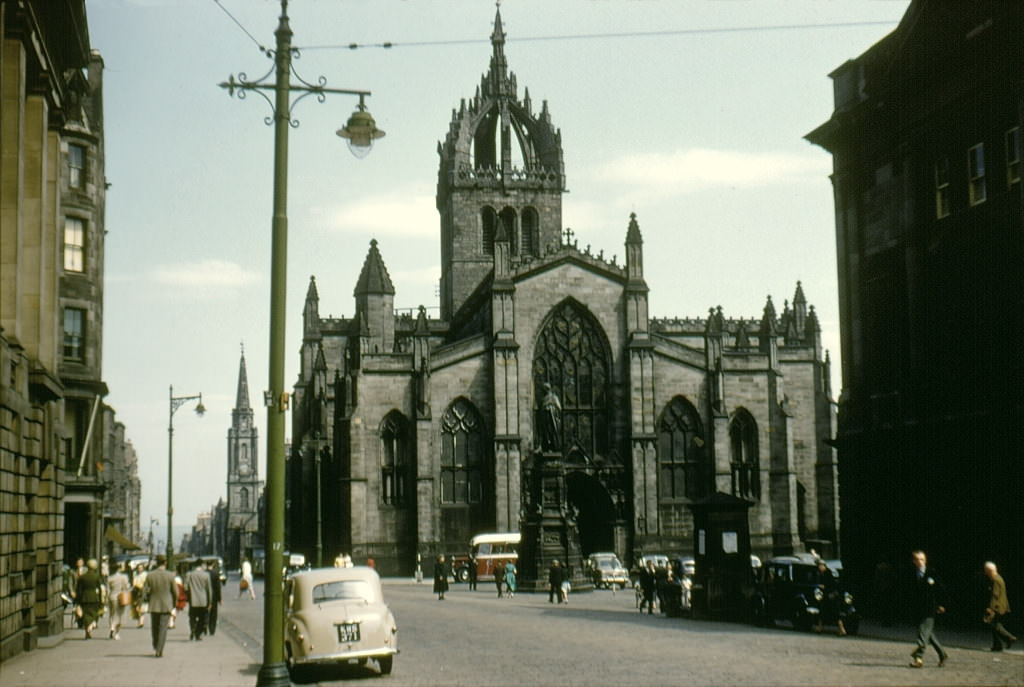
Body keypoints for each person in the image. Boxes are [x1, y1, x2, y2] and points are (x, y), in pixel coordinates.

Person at [908, 550, 948, 668]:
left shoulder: (932, 573)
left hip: (930, 609)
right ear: (913, 561)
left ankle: (918, 658)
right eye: (918, 559)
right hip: (918, 609)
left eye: (922, 559)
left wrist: (943, 604)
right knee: (928, 635)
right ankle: (942, 654)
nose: (920, 562)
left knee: (922, 633)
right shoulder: (911, 574)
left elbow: (942, 589)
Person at [144, 554, 177, 658]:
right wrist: (174, 603)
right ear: (165, 562)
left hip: (154, 604)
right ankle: (159, 649)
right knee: (163, 628)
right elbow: (175, 592)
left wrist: (147, 599)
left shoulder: (150, 575)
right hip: (166, 605)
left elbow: (144, 591)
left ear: (156, 562)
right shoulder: (170, 575)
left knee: (154, 627)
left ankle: (155, 644)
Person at [983, 561, 1017, 651]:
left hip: (997, 607)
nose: (985, 573)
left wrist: (990, 608)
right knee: (994, 625)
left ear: (989, 570)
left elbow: (995, 595)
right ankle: (997, 646)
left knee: (995, 625)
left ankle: (1008, 637)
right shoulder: (998, 578)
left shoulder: (995, 580)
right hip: (1000, 606)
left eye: (986, 570)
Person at [75, 558, 106, 639]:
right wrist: (101, 600)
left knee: (86, 615)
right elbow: (100, 589)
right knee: (94, 614)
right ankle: (90, 628)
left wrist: (78, 600)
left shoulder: (82, 577)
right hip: (94, 598)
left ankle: (87, 631)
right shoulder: (96, 577)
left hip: (84, 598)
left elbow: (79, 589)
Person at [813, 559, 846, 635]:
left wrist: (823, 586)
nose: (819, 568)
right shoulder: (823, 573)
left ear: (823, 566)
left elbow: (831, 585)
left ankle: (842, 629)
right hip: (827, 596)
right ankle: (820, 627)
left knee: (835, 613)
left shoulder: (828, 573)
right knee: (822, 611)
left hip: (831, 596)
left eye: (820, 566)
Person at [185, 559, 213, 640]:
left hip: (193, 600)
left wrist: (189, 594)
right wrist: (209, 601)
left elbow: (185, 586)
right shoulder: (206, 575)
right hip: (203, 601)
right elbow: (209, 589)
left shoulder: (189, 574)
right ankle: (198, 633)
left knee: (192, 617)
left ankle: (192, 629)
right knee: (202, 618)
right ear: (201, 565)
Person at [106, 561, 131, 640]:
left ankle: (111, 627)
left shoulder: (109, 578)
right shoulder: (123, 577)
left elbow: (107, 590)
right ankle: (116, 633)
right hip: (120, 597)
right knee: (120, 615)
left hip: (111, 597)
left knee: (112, 614)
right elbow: (126, 587)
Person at [207, 560, 223, 636]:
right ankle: (212, 629)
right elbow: (218, 587)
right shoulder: (215, 574)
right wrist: (220, 599)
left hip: (205, 596)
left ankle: (204, 627)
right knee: (213, 614)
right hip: (213, 596)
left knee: (206, 612)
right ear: (212, 565)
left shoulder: (205, 573)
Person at [131, 563, 148, 628]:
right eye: (138, 568)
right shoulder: (135, 575)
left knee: (142, 607)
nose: (139, 569)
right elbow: (133, 583)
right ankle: (140, 621)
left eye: (141, 568)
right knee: (137, 607)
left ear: (143, 568)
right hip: (136, 591)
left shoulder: (145, 574)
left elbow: (146, 583)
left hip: (143, 592)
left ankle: (141, 622)